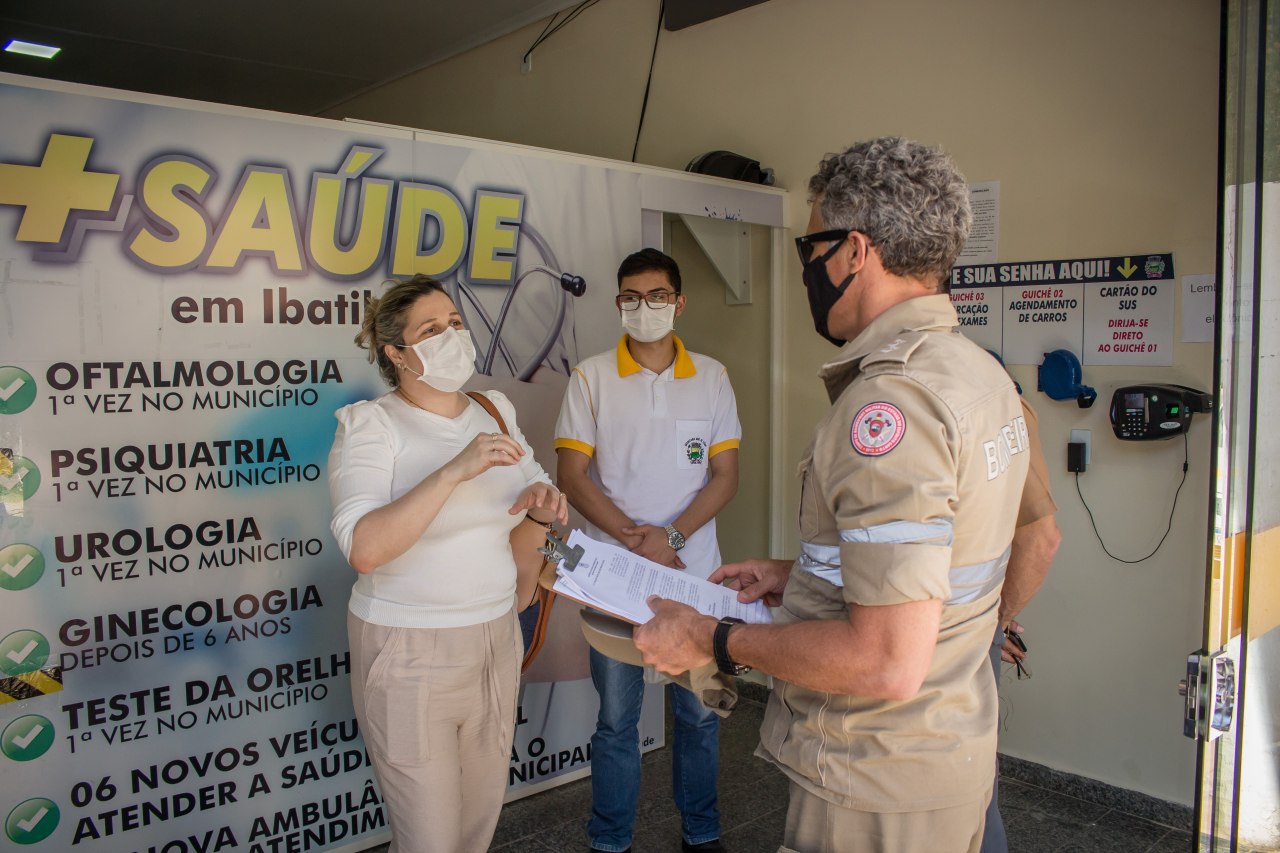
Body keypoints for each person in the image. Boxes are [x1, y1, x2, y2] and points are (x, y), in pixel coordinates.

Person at [633, 137, 1029, 853]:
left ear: (853, 252)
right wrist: (801, 575)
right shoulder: (977, 373)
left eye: (810, 247)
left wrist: (710, 637)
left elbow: (886, 659)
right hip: (946, 757)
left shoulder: (891, 407)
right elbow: (939, 557)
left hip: (875, 778)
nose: (807, 269)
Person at [327, 275, 567, 853]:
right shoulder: (370, 425)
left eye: (455, 322)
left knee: (473, 830)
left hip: (495, 639)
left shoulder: (495, 409)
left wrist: (541, 513)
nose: (452, 335)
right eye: (431, 330)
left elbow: (527, 524)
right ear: (396, 353)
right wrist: (453, 471)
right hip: (409, 652)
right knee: (430, 840)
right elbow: (363, 548)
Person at [555, 248, 741, 853]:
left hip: (695, 577)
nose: (644, 308)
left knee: (698, 715)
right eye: (630, 298)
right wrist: (638, 541)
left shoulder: (712, 376)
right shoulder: (590, 377)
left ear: (678, 302)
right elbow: (574, 476)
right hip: (615, 578)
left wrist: (674, 538)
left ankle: (702, 831)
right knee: (616, 721)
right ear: (618, 304)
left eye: (657, 296)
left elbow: (725, 477)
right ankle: (609, 839)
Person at [981, 395, 1062, 853]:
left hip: (948, 641)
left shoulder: (995, 401)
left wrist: (994, 623)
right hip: (955, 629)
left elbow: (1042, 538)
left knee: (966, 791)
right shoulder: (998, 396)